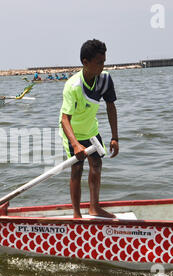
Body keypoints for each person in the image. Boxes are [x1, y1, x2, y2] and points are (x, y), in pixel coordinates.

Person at [59, 39, 119, 219]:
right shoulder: (72, 85)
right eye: (99, 62)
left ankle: (94, 207)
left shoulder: (105, 79)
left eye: (104, 62)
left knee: (97, 165)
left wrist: (115, 137)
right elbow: (64, 119)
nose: (102, 66)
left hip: (91, 131)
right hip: (72, 132)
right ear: (85, 62)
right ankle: (77, 214)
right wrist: (76, 144)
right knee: (77, 169)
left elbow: (111, 106)